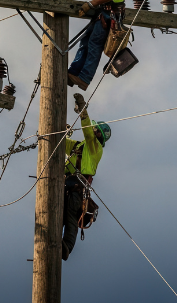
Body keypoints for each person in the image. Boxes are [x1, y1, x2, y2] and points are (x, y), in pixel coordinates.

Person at [67, 0, 128, 91]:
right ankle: (73, 72)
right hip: (101, 13)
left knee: (94, 45)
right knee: (85, 42)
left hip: (110, 15)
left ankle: (84, 78)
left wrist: (92, 3)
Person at [63, 93, 111, 261]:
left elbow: (87, 133)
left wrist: (83, 111)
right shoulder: (79, 146)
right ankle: (52, 240)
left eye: (94, 129)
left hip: (77, 187)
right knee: (56, 212)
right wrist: (61, 130)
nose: (92, 130)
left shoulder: (95, 147)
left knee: (70, 216)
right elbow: (61, 143)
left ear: (99, 135)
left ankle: (66, 246)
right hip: (63, 184)